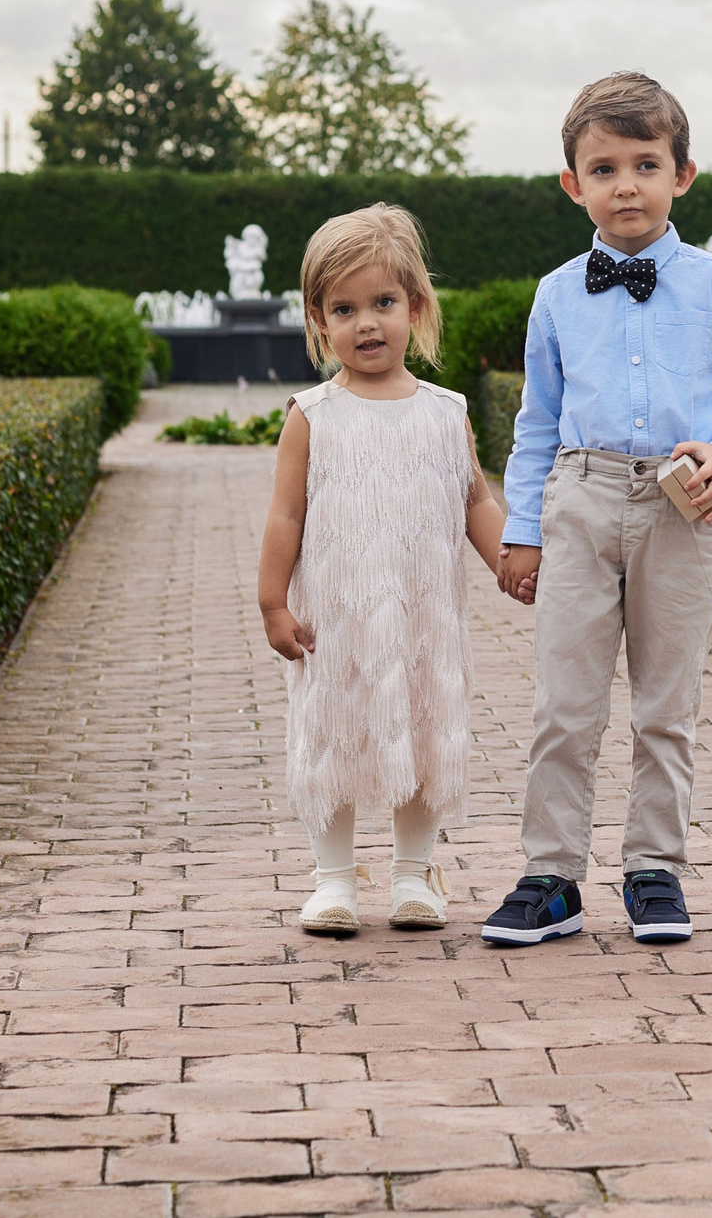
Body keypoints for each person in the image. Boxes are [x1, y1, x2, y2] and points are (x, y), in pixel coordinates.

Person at [485, 72, 712, 946]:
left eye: (646, 164)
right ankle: (551, 877)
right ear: (572, 183)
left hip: (682, 508)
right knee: (564, 705)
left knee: (666, 704)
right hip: (579, 499)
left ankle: (654, 869)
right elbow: (538, 419)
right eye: (604, 166)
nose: (627, 184)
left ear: (682, 174)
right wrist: (522, 530)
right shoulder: (554, 293)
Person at [256, 204, 507, 935]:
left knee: (422, 732)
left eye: (383, 303)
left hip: (423, 615)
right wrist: (274, 601)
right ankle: (333, 877)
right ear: (318, 319)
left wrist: (510, 561)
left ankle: (413, 872)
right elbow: (286, 517)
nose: (367, 322)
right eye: (345, 308)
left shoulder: (445, 411)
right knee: (334, 735)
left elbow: (475, 501)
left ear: (415, 307)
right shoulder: (313, 414)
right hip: (335, 618)